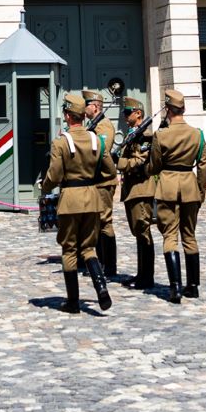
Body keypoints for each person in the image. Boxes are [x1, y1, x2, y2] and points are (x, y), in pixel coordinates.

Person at [40, 91, 116, 313]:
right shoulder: (96, 140)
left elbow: (53, 175)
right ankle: (101, 289)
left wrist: (44, 188)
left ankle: (73, 301)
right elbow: (110, 170)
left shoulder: (61, 142)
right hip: (92, 198)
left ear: (67, 115)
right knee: (89, 247)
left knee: (69, 249)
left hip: (70, 200)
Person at [147, 87, 206, 301]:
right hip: (190, 188)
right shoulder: (197, 134)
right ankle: (193, 285)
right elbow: (202, 166)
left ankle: (175, 287)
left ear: (167, 110)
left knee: (170, 236)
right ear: (183, 108)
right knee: (189, 236)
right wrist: (200, 193)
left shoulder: (161, 135)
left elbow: (154, 166)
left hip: (168, 186)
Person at [115, 94, 158, 290]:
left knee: (143, 232)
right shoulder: (132, 133)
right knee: (137, 233)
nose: (125, 116)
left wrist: (120, 163)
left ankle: (146, 277)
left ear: (138, 114)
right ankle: (141, 274)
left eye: (127, 112)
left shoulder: (146, 136)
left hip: (141, 189)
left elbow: (140, 162)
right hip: (132, 189)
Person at [87, 83, 122, 278]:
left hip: (103, 180)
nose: (84, 108)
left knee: (105, 221)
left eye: (87, 104)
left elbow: (102, 151)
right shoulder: (91, 125)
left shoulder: (104, 125)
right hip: (94, 181)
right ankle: (99, 261)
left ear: (96, 106)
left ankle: (109, 265)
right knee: (97, 222)